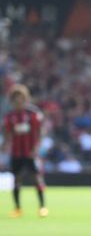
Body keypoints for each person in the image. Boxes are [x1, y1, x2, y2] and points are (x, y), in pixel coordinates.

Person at [3, 84, 48, 218]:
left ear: (25, 99)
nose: (18, 101)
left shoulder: (33, 114)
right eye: (15, 99)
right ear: (12, 100)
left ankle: (42, 207)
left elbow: (40, 131)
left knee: (37, 179)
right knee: (16, 180)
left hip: (30, 152)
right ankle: (17, 209)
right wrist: (5, 146)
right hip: (16, 153)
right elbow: (7, 134)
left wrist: (36, 148)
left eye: (21, 98)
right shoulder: (10, 116)